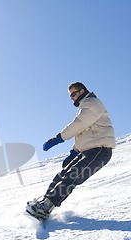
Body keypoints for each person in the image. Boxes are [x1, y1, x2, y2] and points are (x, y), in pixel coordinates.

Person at [26, 82, 115, 219]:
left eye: (73, 94)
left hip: (100, 151)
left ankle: (46, 207)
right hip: (89, 151)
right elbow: (85, 133)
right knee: (62, 175)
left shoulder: (92, 103)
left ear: (82, 91)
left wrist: (58, 139)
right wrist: (73, 152)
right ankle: (44, 202)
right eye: (70, 95)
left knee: (71, 177)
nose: (72, 98)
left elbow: (79, 125)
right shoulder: (85, 106)